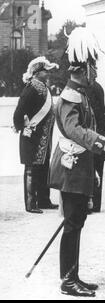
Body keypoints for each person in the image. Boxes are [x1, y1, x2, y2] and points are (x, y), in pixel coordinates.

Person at [48, 27, 105, 297]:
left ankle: (73, 275)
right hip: (71, 168)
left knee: (77, 222)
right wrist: (101, 143)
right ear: (83, 68)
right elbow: (73, 130)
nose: (97, 71)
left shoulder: (80, 94)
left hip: (80, 167)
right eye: (94, 65)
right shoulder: (70, 96)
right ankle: (68, 281)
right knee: (72, 224)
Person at [13, 57, 59, 214]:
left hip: (44, 137)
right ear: (38, 72)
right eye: (45, 71)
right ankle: (31, 203)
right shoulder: (30, 88)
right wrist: (22, 127)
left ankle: (44, 200)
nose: (48, 73)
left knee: (44, 167)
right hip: (32, 136)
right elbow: (18, 113)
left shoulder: (43, 88)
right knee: (31, 168)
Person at [86, 80, 105, 213]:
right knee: (96, 168)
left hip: (96, 130)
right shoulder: (94, 85)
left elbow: (98, 109)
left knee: (94, 167)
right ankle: (94, 203)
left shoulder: (91, 87)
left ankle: (92, 203)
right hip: (99, 129)